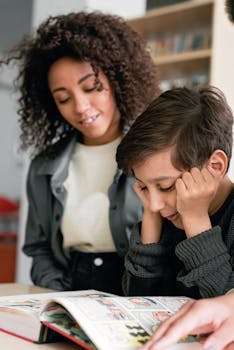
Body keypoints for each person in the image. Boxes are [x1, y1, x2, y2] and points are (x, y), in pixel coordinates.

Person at [0, 11, 160, 293]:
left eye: (91, 87)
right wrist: (60, 298)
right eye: (63, 98)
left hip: (138, 292)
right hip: (68, 292)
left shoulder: (157, 155)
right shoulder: (44, 166)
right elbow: (39, 249)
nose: (81, 107)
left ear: (118, 80)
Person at [116, 86, 234, 299]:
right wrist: (151, 225)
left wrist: (197, 222)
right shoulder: (166, 216)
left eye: (165, 187)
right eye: (143, 186)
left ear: (215, 166)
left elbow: (224, 311)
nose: (154, 204)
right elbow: (138, 301)